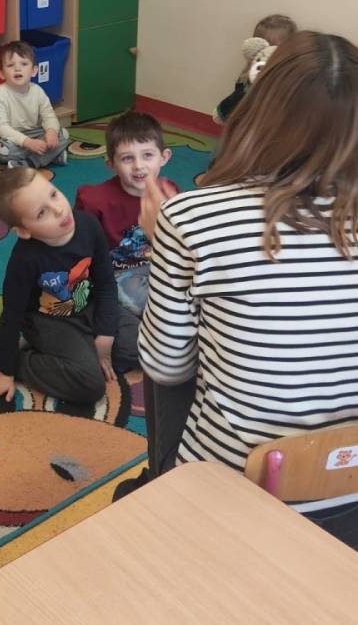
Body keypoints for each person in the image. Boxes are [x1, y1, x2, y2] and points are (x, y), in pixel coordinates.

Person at [136, 32, 358, 546]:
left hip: (230, 489)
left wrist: (161, 241)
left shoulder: (191, 216)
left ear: (258, 111)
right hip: (347, 491)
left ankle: (159, 488)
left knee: (171, 354)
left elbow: (165, 367)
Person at [0, 167, 137, 406]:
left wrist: (105, 335)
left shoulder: (89, 224)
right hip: (49, 321)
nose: (59, 209)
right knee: (90, 385)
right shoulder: (24, 260)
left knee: (152, 345)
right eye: (41, 213)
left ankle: (75, 351)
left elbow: (105, 283)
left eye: (53, 195)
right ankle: (11, 360)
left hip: (88, 305)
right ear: (23, 231)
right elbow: (11, 316)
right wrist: (5, 372)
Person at [75, 112, 178, 319]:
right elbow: (79, 251)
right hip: (118, 272)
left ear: (164, 157)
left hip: (160, 263)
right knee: (149, 302)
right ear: (111, 164)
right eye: (127, 158)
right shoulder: (94, 201)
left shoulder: (169, 191)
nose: (139, 165)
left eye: (147, 155)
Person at [0, 41, 70, 168]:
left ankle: (29, 162)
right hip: (5, 139)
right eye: (10, 65)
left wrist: (51, 131)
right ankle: (51, 156)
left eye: (24, 64)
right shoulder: (0, 94)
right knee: (2, 149)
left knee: (62, 134)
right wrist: (27, 142)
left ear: (34, 71)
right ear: (1, 73)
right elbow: (2, 128)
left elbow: (49, 116)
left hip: (34, 133)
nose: (17, 69)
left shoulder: (38, 91)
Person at [214, 13, 297, 122]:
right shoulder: (247, 77)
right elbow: (235, 103)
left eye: (276, 48)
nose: (269, 53)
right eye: (265, 47)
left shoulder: (291, 75)